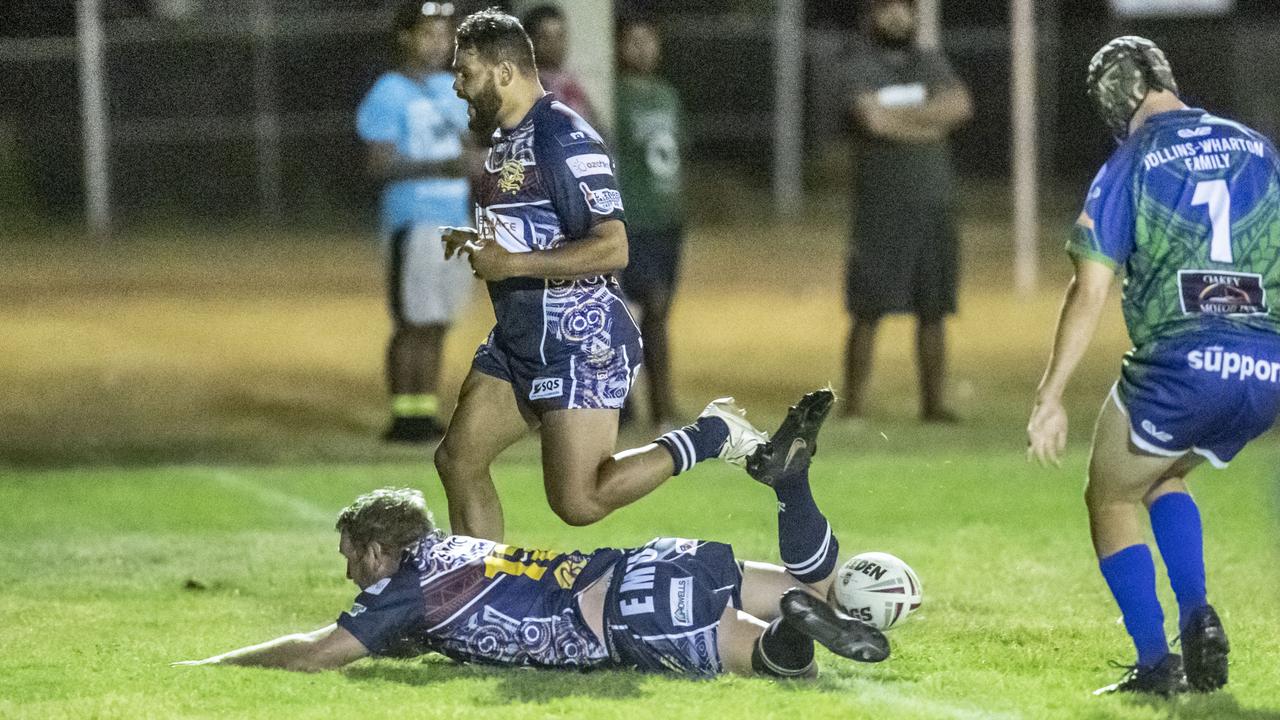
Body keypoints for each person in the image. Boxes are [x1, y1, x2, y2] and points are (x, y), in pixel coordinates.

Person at [172, 390, 890, 678]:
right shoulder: (456, 551)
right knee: (816, 582)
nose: (351, 576)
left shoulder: (407, 585)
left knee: (777, 668)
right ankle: (790, 485)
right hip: (652, 560)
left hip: (621, 618)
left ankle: (790, 631)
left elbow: (314, 653)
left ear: (379, 549)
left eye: (352, 560)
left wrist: (211, 671)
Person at [435, 9, 764, 541]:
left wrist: (510, 264)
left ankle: (710, 433)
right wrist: (477, 241)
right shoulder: (503, 141)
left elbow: (613, 247)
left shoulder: (563, 135)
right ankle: (481, 598)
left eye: (464, 73)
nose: (456, 86)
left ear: (503, 73)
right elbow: (538, 228)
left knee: (579, 501)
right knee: (457, 459)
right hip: (521, 337)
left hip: (578, 337)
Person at [1027, 36, 1280, 696]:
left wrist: (1050, 395)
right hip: (1264, 372)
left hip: (1182, 368)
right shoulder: (1255, 146)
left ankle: (1154, 665)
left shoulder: (1131, 163)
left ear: (1112, 103)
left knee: (1110, 493)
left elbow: (1089, 288)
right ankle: (1201, 625)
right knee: (1163, 470)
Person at [840, 0, 972, 422]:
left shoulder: (929, 60)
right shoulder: (858, 63)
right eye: (887, 9)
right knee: (868, 307)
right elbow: (872, 121)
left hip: (934, 204)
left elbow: (961, 107)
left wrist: (900, 119)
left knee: (934, 308)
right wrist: (931, 122)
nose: (897, 16)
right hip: (880, 207)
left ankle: (933, 406)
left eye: (905, 8)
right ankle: (854, 405)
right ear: (871, 16)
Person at [356, 1, 475, 443]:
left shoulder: (453, 87)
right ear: (405, 37)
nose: (439, 43)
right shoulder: (388, 91)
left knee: (440, 319)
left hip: (455, 221)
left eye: (445, 35)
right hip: (415, 218)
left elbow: (464, 149)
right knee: (413, 321)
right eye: (428, 33)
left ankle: (424, 411)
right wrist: (442, 167)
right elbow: (378, 165)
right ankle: (402, 415)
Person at [614, 17, 685, 431]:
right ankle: (626, 404)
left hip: (665, 218)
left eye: (648, 41)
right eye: (633, 41)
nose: (641, 49)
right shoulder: (615, 95)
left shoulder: (667, 95)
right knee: (637, 309)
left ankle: (661, 404)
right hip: (633, 217)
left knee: (659, 313)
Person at [520, 4, 597, 125]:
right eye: (545, 38)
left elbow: (597, 128)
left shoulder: (571, 82)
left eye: (560, 36)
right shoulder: (525, 87)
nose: (555, 45)